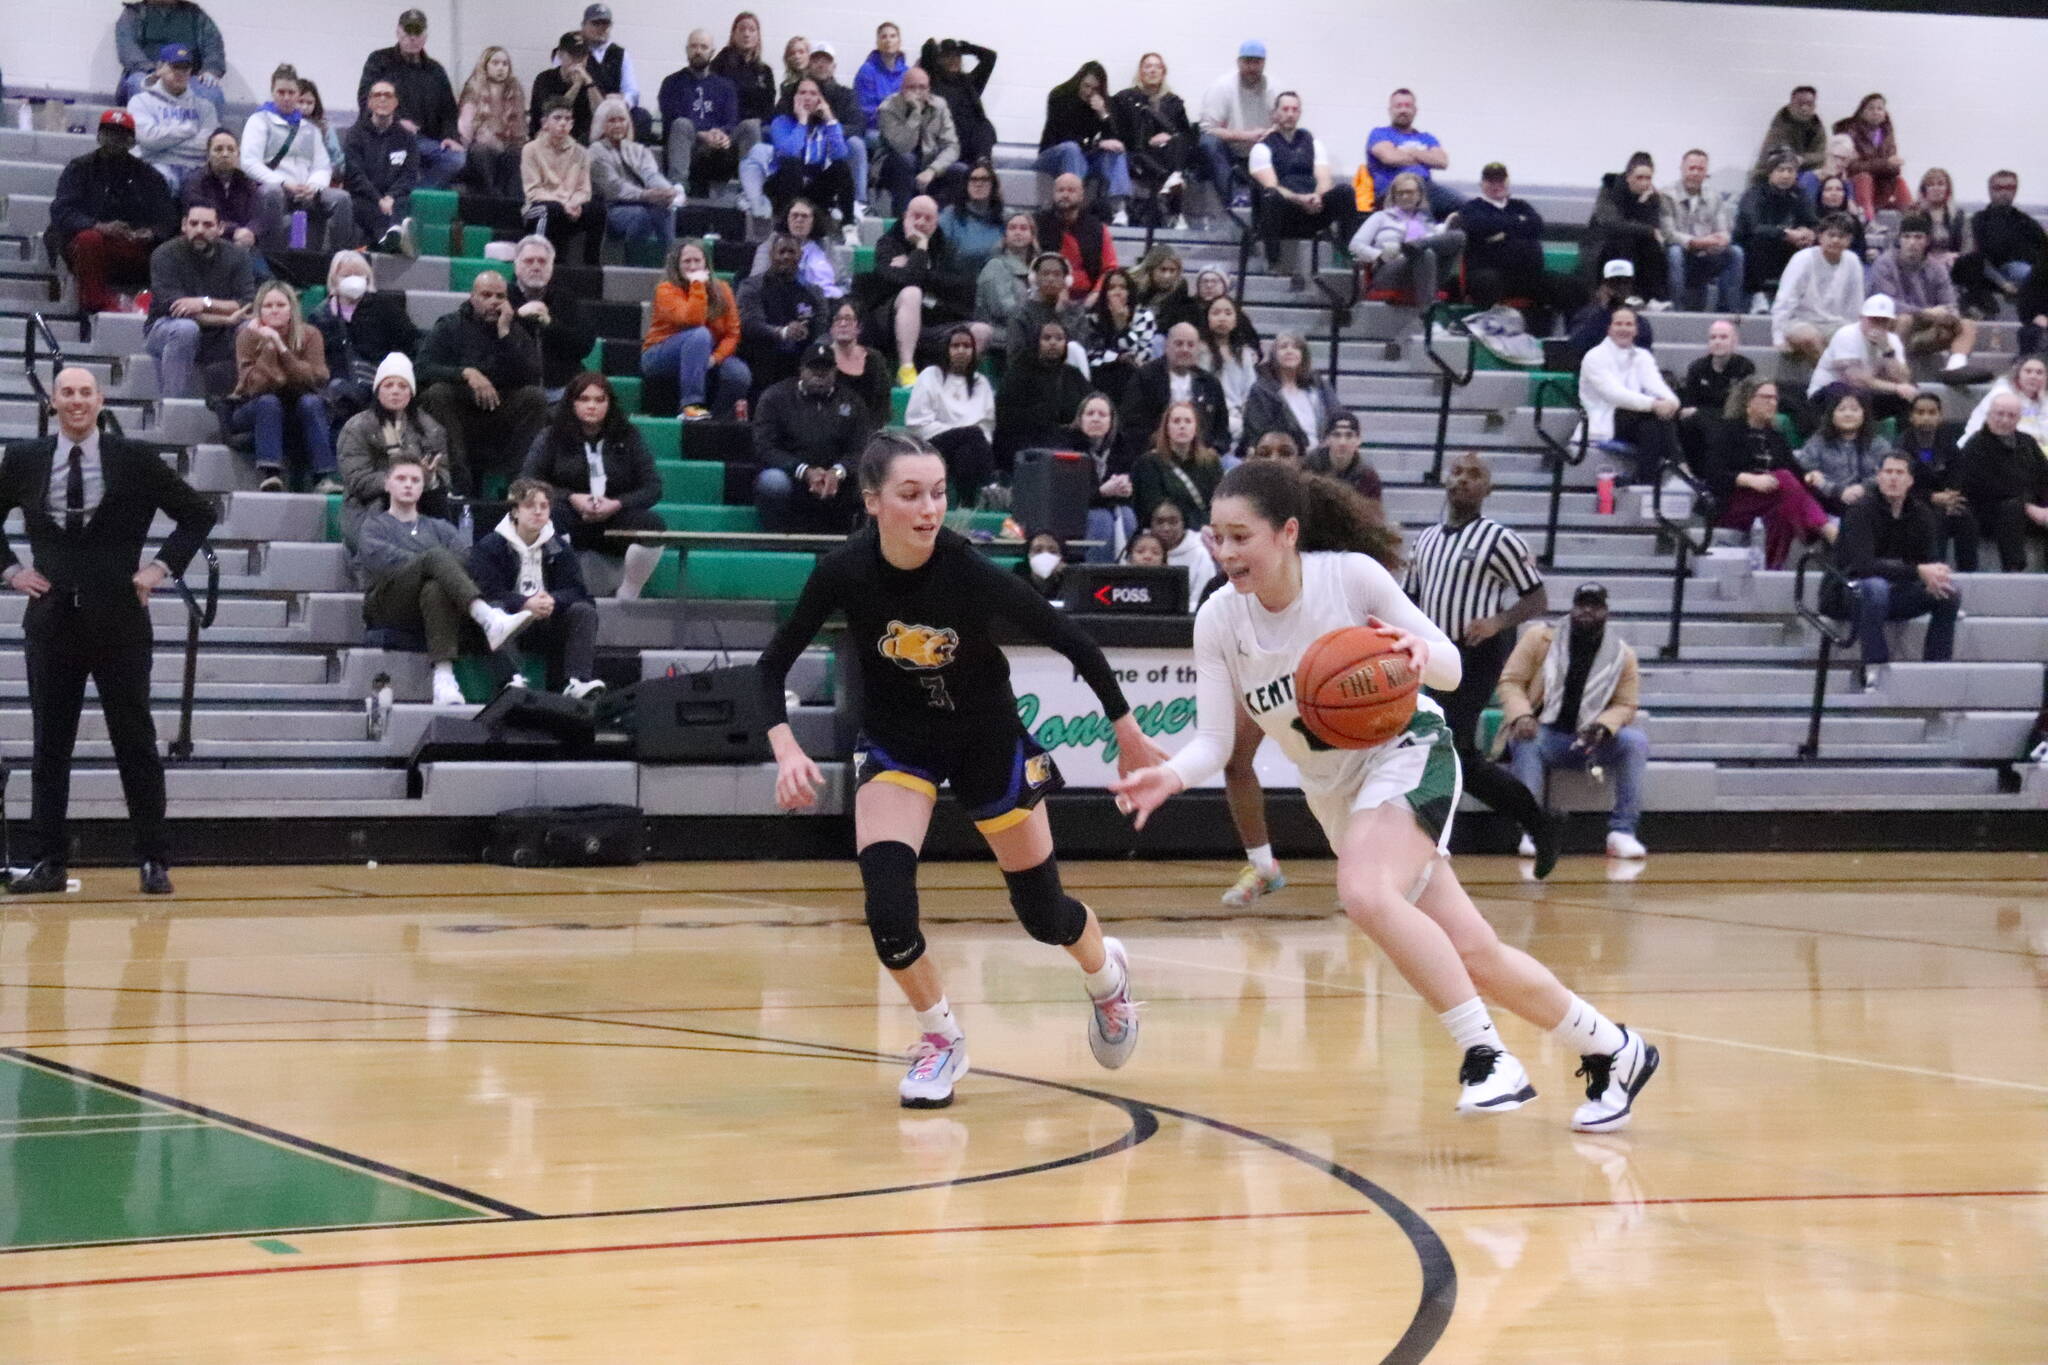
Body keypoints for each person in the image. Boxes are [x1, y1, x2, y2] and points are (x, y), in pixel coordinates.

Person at [1114, 461, 1658, 1122]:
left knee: (1364, 891)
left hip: (1409, 751)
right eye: (1217, 538)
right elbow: (1215, 741)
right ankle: (1615, 1050)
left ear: (1287, 533)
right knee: (1474, 953)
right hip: (1338, 794)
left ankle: (1486, 1056)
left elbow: (1453, 667)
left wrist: (1416, 654)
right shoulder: (1219, 619)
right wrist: (1168, 774)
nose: (1226, 553)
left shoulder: (1349, 576)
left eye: (1240, 536)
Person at [761, 431, 1157, 1106]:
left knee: (1044, 914)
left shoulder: (967, 571)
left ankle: (1105, 979)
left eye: (939, 493)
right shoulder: (844, 571)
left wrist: (1128, 732)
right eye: (911, 494)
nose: (929, 509)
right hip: (897, 744)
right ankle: (940, 1036)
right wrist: (788, 747)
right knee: (887, 908)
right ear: (874, 501)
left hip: (986, 740)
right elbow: (771, 667)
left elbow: (1073, 639)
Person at [0, 366, 210, 896]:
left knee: (135, 741)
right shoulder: (23, 458)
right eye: (66, 392)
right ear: (53, 401)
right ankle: (46, 860)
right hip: (50, 622)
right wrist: (10, 570)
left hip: (119, 618)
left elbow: (197, 513)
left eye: (85, 393)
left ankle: (152, 859)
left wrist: (160, 569)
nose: (76, 401)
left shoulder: (134, 458)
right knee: (50, 745)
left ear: (101, 400)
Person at [1405, 451, 1557, 872]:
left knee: (1445, 744)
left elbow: (1537, 598)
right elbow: (1410, 601)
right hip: (1436, 654)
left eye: (1474, 475)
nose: (1462, 480)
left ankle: (1429, 845)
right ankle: (1537, 822)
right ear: (1445, 481)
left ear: (1487, 489)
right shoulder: (1426, 541)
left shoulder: (1500, 539)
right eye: (1457, 472)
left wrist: (1497, 622)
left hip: (1477, 653)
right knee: (1457, 755)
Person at [357, 456, 533, 707]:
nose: (408, 485)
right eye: (401, 478)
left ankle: (444, 679)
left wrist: (435, 569)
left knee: (436, 588)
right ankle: (487, 617)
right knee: (437, 558)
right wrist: (429, 562)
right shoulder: (374, 526)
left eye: (415, 480)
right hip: (388, 604)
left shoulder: (440, 526)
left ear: (423, 486)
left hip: (432, 605)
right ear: (387, 484)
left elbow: (466, 560)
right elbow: (385, 563)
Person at [1499, 583, 1651, 862]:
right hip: (1545, 731)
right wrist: (1522, 714)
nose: (1587, 611)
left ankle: (1622, 833)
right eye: (1582, 605)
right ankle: (1533, 830)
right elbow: (1511, 681)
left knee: (1635, 742)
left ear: (1606, 612)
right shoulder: (1540, 638)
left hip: (1589, 739)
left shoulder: (1622, 655)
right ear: (1572, 608)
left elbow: (1627, 704)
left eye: (1594, 606)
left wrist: (1604, 726)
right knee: (1527, 740)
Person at [519, 372, 666, 600]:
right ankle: (561, 588)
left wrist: (618, 504)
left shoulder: (629, 436)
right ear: (572, 403)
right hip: (569, 516)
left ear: (609, 404)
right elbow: (527, 481)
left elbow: (653, 487)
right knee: (547, 516)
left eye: (599, 400)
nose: (592, 406)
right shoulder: (551, 436)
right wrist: (570, 497)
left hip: (615, 517)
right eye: (584, 399)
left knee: (653, 524)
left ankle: (628, 594)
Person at [1825, 453, 1959, 689]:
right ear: (1878, 477)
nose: (1893, 479)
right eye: (1888, 472)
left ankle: (1936, 670)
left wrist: (1935, 574)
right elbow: (1863, 567)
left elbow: (1930, 562)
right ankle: (1874, 668)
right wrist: (1918, 571)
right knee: (1875, 587)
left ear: (1910, 480)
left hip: (1897, 592)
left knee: (1949, 591)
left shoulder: (1922, 514)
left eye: (1899, 473)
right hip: (1849, 592)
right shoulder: (1860, 511)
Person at [468, 477, 603, 697]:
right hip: (510, 622)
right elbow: (487, 591)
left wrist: (553, 600)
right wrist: (524, 603)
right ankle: (510, 679)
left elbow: (579, 592)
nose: (538, 512)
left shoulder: (559, 546)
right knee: (492, 608)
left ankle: (576, 681)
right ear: (515, 511)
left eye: (544, 506)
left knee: (584, 610)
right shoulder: (490, 545)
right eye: (530, 506)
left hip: (547, 622)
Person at [417, 270, 548, 495]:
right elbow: (421, 369)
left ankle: (518, 487)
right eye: (486, 295)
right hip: (460, 414)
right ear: (472, 297)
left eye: (500, 296)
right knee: (437, 393)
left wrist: (505, 334)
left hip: (501, 414)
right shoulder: (450, 325)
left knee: (534, 398)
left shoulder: (515, 328)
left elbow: (533, 375)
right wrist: (466, 373)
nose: (494, 302)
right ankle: (457, 486)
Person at [51, 111, 178, 315]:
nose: (115, 140)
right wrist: (98, 226)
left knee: (171, 248)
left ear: (132, 142)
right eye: (109, 133)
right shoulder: (80, 168)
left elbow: (168, 219)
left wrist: (151, 232)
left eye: (122, 135)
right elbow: (61, 211)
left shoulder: (150, 176)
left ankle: (157, 305)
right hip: (92, 245)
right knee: (88, 239)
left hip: (133, 245)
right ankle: (95, 306)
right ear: (99, 136)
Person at [1701, 377, 1830, 569]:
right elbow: (1712, 474)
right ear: (1748, 401)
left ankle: (1773, 568)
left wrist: (1808, 476)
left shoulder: (1776, 436)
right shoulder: (1726, 431)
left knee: (1783, 510)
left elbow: (1795, 471)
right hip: (1732, 502)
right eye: (1766, 397)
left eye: (1775, 399)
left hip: (1769, 501)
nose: (1773, 403)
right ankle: (1824, 528)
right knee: (1784, 478)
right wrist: (1749, 480)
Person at [867, 194, 986, 388]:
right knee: (912, 293)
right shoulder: (888, 243)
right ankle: (906, 369)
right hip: (890, 325)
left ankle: (954, 381)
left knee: (982, 331)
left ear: (936, 222)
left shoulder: (946, 246)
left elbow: (964, 288)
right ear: (905, 216)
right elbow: (903, 281)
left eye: (928, 218)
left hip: (934, 322)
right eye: (916, 216)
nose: (921, 222)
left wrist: (916, 267)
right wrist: (921, 248)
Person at [227, 280, 334, 492]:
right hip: (253, 406)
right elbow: (256, 386)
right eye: (268, 306)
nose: (274, 310)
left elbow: (317, 378)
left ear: (291, 308)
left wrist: (280, 345)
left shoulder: (311, 334)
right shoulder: (247, 335)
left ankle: (323, 478)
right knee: (268, 401)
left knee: (311, 402)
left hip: (299, 403)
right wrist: (268, 347)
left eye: (280, 305)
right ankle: (271, 475)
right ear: (259, 310)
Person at [336, 352, 452, 549]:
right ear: (378, 391)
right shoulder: (356, 427)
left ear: (411, 392)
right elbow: (358, 481)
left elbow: (444, 476)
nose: (395, 391)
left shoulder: (431, 429)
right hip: (369, 508)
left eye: (402, 386)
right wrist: (401, 479)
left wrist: (429, 478)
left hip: (421, 505)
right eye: (388, 385)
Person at [753, 345, 872, 533]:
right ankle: (776, 541)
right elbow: (765, 447)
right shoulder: (775, 397)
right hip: (792, 477)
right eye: (813, 369)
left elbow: (861, 449)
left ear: (835, 372)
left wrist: (837, 472)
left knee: (872, 482)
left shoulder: (852, 401)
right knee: (772, 482)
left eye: (826, 369)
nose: (820, 374)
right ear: (801, 371)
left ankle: (855, 542)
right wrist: (804, 471)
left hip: (838, 481)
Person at [241, 67, 356, 254]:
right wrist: (284, 183)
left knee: (342, 199)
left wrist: (313, 186)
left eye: (291, 92)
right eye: (281, 92)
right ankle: (274, 258)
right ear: (272, 93)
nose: (286, 97)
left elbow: (323, 166)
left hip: (306, 190)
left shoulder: (310, 129)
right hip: (273, 188)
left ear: (297, 94)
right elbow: (249, 163)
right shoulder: (259, 121)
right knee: (272, 193)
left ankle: (336, 260)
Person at [143, 201, 251, 400]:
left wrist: (204, 302)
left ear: (220, 228)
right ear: (184, 225)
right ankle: (173, 408)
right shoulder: (164, 254)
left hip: (221, 334)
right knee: (185, 329)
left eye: (208, 225)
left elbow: (246, 303)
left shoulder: (238, 256)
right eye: (193, 224)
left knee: (251, 328)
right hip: (165, 328)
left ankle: (245, 404)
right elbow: (176, 309)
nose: (199, 230)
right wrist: (226, 319)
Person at [1459, 162, 1579, 336]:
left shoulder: (1521, 205)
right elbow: (1478, 226)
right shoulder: (1472, 208)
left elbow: (1537, 225)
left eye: (1500, 181)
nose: (1496, 186)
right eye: (1491, 181)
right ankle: (1488, 337)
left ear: (1507, 182)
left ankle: (1569, 341)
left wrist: (1502, 234)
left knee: (1571, 287)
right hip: (1490, 273)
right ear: (1482, 184)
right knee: (1487, 282)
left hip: (1527, 276)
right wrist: (1518, 225)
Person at [1250, 92, 1359, 277]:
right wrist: (1300, 199)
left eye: (1295, 109)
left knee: (1345, 191)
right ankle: (1274, 262)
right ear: (1275, 114)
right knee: (1271, 195)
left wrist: (1317, 197)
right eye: (1285, 109)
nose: (1290, 114)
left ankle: (1346, 255)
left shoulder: (1313, 143)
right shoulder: (1261, 148)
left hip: (1312, 210)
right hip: (1283, 213)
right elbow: (1272, 185)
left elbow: (1324, 179)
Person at [356, 8, 466, 189]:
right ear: (398, 32)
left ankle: (415, 196)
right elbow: (365, 99)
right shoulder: (379, 61)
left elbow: (449, 111)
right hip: (386, 134)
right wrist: (395, 121)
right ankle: (410, 198)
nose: (412, 37)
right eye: (408, 31)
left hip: (427, 141)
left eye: (417, 32)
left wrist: (450, 137)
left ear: (425, 36)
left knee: (457, 158)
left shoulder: (435, 70)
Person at [642, 239, 748, 421]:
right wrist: (697, 285)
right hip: (659, 355)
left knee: (739, 374)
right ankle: (691, 406)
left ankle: (716, 419)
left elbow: (732, 333)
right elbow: (693, 320)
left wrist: (715, 358)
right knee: (700, 334)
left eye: (697, 261)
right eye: (687, 261)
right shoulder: (665, 290)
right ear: (677, 264)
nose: (693, 266)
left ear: (706, 263)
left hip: (708, 355)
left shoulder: (722, 289)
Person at [1579, 307, 1681, 485]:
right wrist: (1655, 405)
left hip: (1637, 419)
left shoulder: (1643, 356)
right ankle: (1680, 466)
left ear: (1635, 329)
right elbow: (1615, 395)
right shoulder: (1594, 357)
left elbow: (1657, 385)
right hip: (1606, 419)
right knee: (1655, 418)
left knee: (1652, 426)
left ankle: (1645, 480)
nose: (1624, 328)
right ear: (1609, 328)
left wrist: (1672, 402)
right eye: (1618, 324)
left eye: (1629, 324)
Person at [1867, 214, 1976, 372]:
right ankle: (1894, 369)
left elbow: (1950, 305)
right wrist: (1925, 313)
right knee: (1905, 320)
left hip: (1925, 330)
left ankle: (1955, 368)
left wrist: (1948, 315)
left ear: (1927, 241)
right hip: (1889, 329)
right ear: (1899, 239)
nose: (1912, 242)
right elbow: (1887, 304)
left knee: (1967, 325)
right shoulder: (1884, 264)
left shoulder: (1937, 268)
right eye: (1907, 237)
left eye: (1918, 237)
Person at [1953, 391, 2048, 571]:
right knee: (2011, 508)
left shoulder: (2027, 442)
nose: (2005, 420)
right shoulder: (1975, 445)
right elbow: (1985, 488)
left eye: (2011, 415)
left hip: (2030, 511)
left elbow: (2044, 476)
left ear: (2019, 418)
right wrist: (2027, 507)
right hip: (1990, 513)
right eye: (2000, 414)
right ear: (1989, 414)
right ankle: (2013, 571)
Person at [659, 29, 757, 194]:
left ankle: (750, 192)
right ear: (687, 50)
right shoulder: (672, 83)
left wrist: (722, 134)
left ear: (712, 52)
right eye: (694, 46)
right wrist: (702, 134)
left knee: (751, 126)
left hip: (721, 149)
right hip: (690, 147)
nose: (698, 51)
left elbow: (732, 120)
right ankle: (678, 189)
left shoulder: (726, 86)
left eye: (703, 47)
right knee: (681, 124)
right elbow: (670, 119)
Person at [904, 325, 997, 501]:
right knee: (973, 433)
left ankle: (966, 505)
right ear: (946, 349)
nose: (961, 350)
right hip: (933, 444)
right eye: (955, 346)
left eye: (967, 346)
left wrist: (964, 434)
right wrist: (961, 432)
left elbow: (987, 427)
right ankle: (990, 486)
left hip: (971, 447)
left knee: (966, 454)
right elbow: (918, 423)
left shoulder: (981, 383)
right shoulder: (930, 376)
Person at [1351, 172, 1465, 311]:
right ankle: (1427, 314)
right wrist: (1379, 255)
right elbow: (1355, 245)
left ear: (1419, 195)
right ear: (1393, 196)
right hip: (1391, 269)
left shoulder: (1426, 221)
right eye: (1400, 193)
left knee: (1458, 237)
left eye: (1410, 192)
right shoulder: (1381, 217)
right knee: (1425, 254)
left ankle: (1414, 245)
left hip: (1426, 271)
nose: (1405, 197)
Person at [589, 96, 680, 268]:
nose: (618, 125)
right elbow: (613, 187)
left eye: (622, 120)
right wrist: (647, 195)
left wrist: (668, 191)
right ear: (602, 124)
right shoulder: (596, 151)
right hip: (610, 208)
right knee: (640, 216)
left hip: (643, 202)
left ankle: (672, 264)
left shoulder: (639, 150)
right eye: (612, 121)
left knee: (666, 208)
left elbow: (651, 175)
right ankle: (632, 267)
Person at [1036, 62, 1130, 224]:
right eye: (1086, 86)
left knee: (1115, 150)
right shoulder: (1059, 96)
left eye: (1094, 89)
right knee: (1071, 149)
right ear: (1079, 81)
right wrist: (1098, 144)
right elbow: (1063, 135)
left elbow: (1113, 138)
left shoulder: (1102, 103)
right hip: (1053, 154)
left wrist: (1103, 114)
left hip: (1084, 156)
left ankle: (1119, 208)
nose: (1089, 92)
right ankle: (1074, 205)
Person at [1121, 321, 1230, 461]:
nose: (1185, 349)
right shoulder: (1145, 377)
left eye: (1190, 345)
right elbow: (1132, 425)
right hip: (1155, 456)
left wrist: (1213, 450)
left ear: (1198, 349)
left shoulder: (1210, 383)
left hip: (1201, 458)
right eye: (1179, 344)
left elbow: (1222, 430)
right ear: (1166, 347)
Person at [507, 234, 595, 404]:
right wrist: (518, 316)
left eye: (542, 261)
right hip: (514, 388)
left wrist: (549, 323)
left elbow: (584, 345)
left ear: (551, 266)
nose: (536, 266)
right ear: (516, 266)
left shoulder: (567, 299)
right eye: (529, 261)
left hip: (560, 387)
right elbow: (486, 336)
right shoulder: (501, 297)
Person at [1896, 391, 1977, 572]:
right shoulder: (1902, 444)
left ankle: (1969, 573)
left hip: (1946, 500)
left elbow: (1958, 470)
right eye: (1920, 412)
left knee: (1965, 517)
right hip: (1914, 501)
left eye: (1932, 413)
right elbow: (1901, 485)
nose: (1926, 417)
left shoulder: (1947, 440)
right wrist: (1932, 497)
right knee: (1936, 517)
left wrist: (1952, 494)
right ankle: (1936, 569)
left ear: (1940, 416)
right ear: (1911, 416)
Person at [738, 233, 826, 396]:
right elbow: (749, 324)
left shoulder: (814, 292)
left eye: (791, 252)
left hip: (799, 360)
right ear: (772, 255)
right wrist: (782, 332)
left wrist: (807, 332)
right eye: (782, 252)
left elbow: (821, 323)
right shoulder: (751, 286)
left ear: (800, 256)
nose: (786, 256)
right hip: (761, 357)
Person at [1773, 215, 1866, 367]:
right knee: (1810, 337)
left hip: (1835, 323)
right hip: (1798, 321)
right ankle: (1832, 380)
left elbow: (1856, 303)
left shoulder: (1853, 261)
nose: (1835, 240)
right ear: (1820, 236)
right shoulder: (1802, 259)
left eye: (1841, 236)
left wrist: (1854, 332)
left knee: (1858, 340)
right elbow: (1785, 299)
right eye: (1831, 235)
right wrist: (1778, 337)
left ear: (1849, 240)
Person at [994, 319, 1091, 468]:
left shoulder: (1074, 374)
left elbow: (1090, 403)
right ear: (1036, 342)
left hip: (1068, 437)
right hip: (1025, 439)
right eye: (1047, 338)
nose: (1053, 343)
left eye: (1059, 338)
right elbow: (1006, 415)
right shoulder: (1019, 372)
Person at [1112, 54, 1194, 229]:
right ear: (1140, 72)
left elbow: (1186, 134)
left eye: (1157, 66)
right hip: (1136, 155)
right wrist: (1148, 141)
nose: (1153, 70)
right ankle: (1171, 180)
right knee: (1140, 156)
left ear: (1163, 72)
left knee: (1179, 141)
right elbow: (1116, 132)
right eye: (1148, 66)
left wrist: (1169, 138)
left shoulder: (1173, 102)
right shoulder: (1125, 98)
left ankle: (1176, 211)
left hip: (1166, 156)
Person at [766, 78, 857, 233]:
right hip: (783, 184)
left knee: (841, 167)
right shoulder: (781, 122)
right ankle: (786, 225)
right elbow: (789, 152)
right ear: (794, 97)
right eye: (802, 92)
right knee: (791, 164)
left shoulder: (828, 125)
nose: (807, 97)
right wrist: (802, 121)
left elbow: (840, 154)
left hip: (811, 184)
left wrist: (829, 119)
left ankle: (848, 225)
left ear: (821, 99)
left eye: (813, 93)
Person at [1953, 171, 2047, 320]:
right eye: (1999, 188)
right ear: (1990, 190)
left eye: (2009, 187)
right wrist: (2003, 283)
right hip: (1988, 275)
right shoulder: (1978, 221)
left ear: (2015, 190)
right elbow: (1972, 257)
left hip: (2026, 277)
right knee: (2022, 270)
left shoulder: (2028, 223)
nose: (2004, 192)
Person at [1810, 294, 1918, 422]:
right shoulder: (1846, 335)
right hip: (1828, 393)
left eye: (1883, 321)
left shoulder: (1892, 341)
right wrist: (1896, 388)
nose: (1878, 325)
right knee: (1843, 389)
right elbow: (1855, 380)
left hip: (1865, 395)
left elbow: (1903, 378)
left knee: (1909, 396)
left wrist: (1888, 351)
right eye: (1873, 320)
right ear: (1862, 318)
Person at [342, 80, 420, 254]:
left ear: (396, 102)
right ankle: (392, 238)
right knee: (366, 207)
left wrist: (390, 197)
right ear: (369, 102)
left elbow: (409, 174)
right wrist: (379, 199)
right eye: (377, 95)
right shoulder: (355, 135)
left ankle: (388, 239)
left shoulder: (407, 138)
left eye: (388, 95)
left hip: (395, 198)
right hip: (364, 197)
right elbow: (355, 175)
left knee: (403, 202)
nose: (383, 99)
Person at [180, 128, 278, 264]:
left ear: (238, 155)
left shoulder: (246, 182)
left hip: (245, 243)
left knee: (267, 279)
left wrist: (250, 232)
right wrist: (235, 231)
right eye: (218, 149)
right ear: (208, 155)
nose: (225, 154)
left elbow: (258, 214)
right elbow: (200, 218)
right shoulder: (194, 182)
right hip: (208, 243)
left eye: (231, 149)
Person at [1242, 331, 1347, 458]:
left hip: (1323, 455)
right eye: (1283, 347)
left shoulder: (1319, 385)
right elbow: (1258, 431)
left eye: (1296, 347)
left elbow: (1338, 417)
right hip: (1284, 457)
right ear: (1274, 355)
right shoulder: (1262, 390)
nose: (1289, 351)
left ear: (1303, 354)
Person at [876, 66, 965, 216]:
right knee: (906, 160)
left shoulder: (940, 105)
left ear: (929, 88)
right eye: (911, 87)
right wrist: (915, 113)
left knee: (960, 171)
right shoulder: (888, 108)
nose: (917, 91)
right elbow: (902, 146)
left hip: (929, 165)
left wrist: (933, 170)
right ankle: (902, 221)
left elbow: (952, 146)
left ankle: (943, 223)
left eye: (922, 87)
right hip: (893, 165)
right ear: (902, 88)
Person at [1662, 149, 1743, 313]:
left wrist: (1723, 239)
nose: (1695, 173)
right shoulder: (1666, 194)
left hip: (1707, 253)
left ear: (1706, 172)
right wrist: (1699, 242)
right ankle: (1677, 309)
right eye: (1691, 168)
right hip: (1681, 253)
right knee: (1674, 253)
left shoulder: (1715, 196)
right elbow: (1668, 234)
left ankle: (1728, 311)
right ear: (1682, 169)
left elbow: (1724, 230)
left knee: (1736, 252)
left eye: (1700, 169)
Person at [1195, 42, 1271, 214]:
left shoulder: (1274, 88)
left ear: (1264, 63)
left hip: (1260, 152)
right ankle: (1236, 200)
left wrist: (1268, 134)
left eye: (1257, 62)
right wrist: (1246, 136)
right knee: (1209, 143)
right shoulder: (1221, 87)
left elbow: (1284, 125)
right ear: (1239, 63)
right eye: (1247, 62)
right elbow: (1207, 130)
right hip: (1229, 152)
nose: (1252, 67)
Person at [115, 0, 226, 117]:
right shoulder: (133, 13)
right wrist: (156, 73)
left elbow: (213, 45)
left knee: (212, 92)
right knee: (139, 84)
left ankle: (207, 134)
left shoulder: (195, 15)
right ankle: (149, 132)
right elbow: (127, 49)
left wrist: (211, 70)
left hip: (186, 77)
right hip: (146, 73)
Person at [1736, 153, 1818, 309]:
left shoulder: (1799, 194)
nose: (1786, 175)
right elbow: (1753, 227)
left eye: (1790, 171)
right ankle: (1757, 296)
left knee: (1813, 246)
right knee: (1758, 240)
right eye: (1781, 170)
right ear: (1770, 173)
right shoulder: (1754, 194)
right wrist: (1785, 234)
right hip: (1756, 248)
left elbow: (1813, 222)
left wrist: (1809, 233)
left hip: (1788, 247)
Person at [521, 99, 596, 266]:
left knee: (597, 210)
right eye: (557, 118)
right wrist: (563, 203)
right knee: (550, 210)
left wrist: (574, 203)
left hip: (570, 206)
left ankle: (591, 265)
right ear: (544, 123)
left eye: (568, 119)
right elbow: (533, 191)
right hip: (539, 206)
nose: (563, 123)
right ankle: (538, 260)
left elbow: (584, 190)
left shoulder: (581, 152)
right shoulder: (530, 149)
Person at [128, 44, 212, 191]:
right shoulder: (140, 102)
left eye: (185, 68)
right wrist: (189, 129)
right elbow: (149, 140)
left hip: (195, 168)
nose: (181, 72)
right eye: (175, 66)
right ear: (160, 68)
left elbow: (205, 146)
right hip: (154, 165)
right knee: (158, 179)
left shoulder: (205, 107)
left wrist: (165, 144)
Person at [1585, 154, 1669, 302]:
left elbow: (1652, 227)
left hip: (1635, 243)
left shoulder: (1651, 197)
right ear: (1628, 177)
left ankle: (1653, 298)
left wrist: (1644, 205)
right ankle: (1624, 295)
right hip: (1602, 243)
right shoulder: (1609, 189)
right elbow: (1612, 224)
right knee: (1625, 241)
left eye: (1648, 178)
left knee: (1652, 246)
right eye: (1640, 177)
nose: (1644, 183)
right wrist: (1647, 229)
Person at [1365, 88, 1459, 219]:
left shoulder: (1426, 137)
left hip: (1428, 188)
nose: (1403, 110)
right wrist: (1425, 156)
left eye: (1408, 106)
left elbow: (1442, 162)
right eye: (1398, 106)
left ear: (1415, 111)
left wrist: (1410, 152)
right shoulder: (1379, 133)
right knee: (1424, 215)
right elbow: (1389, 158)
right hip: (1395, 191)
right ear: (1390, 110)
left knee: (1469, 209)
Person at [1063, 391, 1135, 560]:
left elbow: (1131, 488)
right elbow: (1067, 496)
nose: (1095, 419)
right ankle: (1097, 575)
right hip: (1075, 513)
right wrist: (1102, 492)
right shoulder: (1067, 445)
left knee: (1127, 516)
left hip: (1112, 508)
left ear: (1111, 421)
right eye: (1090, 414)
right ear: (1080, 419)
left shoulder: (1122, 447)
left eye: (1102, 415)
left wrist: (1126, 490)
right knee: (1101, 519)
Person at [1798, 385, 1892, 514]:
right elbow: (1805, 472)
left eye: (1854, 409)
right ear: (1832, 415)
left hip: (1870, 506)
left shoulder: (1878, 444)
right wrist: (1836, 490)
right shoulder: (1818, 442)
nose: (1848, 414)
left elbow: (1888, 471)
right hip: (1827, 505)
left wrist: (1863, 488)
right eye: (1841, 409)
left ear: (1864, 414)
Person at [1132, 399, 1223, 528]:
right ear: (1166, 428)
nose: (1182, 426)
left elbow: (1218, 502)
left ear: (1195, 428)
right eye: (1176, 421)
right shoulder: (1149, 463)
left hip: (1206, 530)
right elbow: (1152, 507)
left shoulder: (1210, 462)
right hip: (1169, 531)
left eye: (1188, 421)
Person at [456, 46, 527, 199]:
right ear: (485, 65)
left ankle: (513, 204)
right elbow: (465, 127)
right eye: (495, 63)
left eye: (505, 64)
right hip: (480, 144)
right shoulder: (474, 87)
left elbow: (520, 128)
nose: (501, 68)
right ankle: (493, 198)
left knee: (517, 154)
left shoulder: (515, 89)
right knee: (482, 152)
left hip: (507, 143)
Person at [1036, 173, 1119, 303]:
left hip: (1089, 297)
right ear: (1053, 194)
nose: (1065, 195)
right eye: (1060, 190)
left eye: (1071, 190)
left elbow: (1110, 268)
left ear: (1081, 196)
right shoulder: (1039, 224)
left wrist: (1096, 293)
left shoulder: (1098, 229)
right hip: (1046, 295)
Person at [1002, 250, 1091, 371]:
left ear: (1066, 280)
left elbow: (1080, 351)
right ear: (1035, 278)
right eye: (1045, 273)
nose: (1050, 279)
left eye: (1056, 274)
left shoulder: (1075, 312)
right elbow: (1015, 357)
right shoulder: (1020, 313)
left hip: (1068, 378)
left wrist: (1061, 314)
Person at [921, 37, 998, 167]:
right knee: (981, 127)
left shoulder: (970, 82)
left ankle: (983, 165)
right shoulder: (933, 81)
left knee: (985, 126)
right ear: (938, 59)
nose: (953, 60)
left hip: (974, 140)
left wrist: (969, 48)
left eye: (957, 56)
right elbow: (927, 52)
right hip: (949, 138)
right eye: (947, 56)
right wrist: (934, 44)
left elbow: (990, 57)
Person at [1084, 268, 1157, 407]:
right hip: (1101, 375)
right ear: (1104, 293)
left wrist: (1122, 326)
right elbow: (1090, 355)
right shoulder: (1092, 318)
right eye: (1112, 288)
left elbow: (1140, 355)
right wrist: (1117, 357)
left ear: (1130, 292)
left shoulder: (1144, 316)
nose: (1117, 292)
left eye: (1123, 287)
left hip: (1133, 376)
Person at [576, 3, 649, 139]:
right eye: (596, 23)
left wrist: (621, 103)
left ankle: (630, 158)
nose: (601, 28)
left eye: (605, 24)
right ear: (583, 25)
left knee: (642, 116)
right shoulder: (574, 50)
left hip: (615, 112)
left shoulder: (621, 53)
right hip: (585, 111)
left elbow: (632, 91)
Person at [748, 198, 846, 299]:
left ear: (813, 221)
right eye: (794, 215)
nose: (799, 220)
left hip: (831, 301)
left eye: (805, 216)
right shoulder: (770, 245)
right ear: (787, 219)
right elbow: (757, 282)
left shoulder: (826, 244)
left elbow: (842, 281)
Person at [1832, 93, 1909, 217]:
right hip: (1854, 182)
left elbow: (1895, 168)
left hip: (1880, 183)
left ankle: (1912, 222)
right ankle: (1867, 221)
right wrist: (1885, 164)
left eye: (1880, 108)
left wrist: (1889, 165)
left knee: (1899, 181)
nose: (1876, 112)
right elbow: (1851, 166)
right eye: (1871, 108)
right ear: (1861, 111)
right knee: (1864, 177)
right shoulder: (1849, 132)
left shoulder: (1887, 133)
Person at [1565, 261, 1658, 361]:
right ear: (1604, 285)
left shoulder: (1640, 323)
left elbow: (1642, 353)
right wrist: (1603, 311)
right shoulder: (1585, 317)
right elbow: (1576, 347)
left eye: (1625, 282)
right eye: (1615, 282)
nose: (1620, 287)